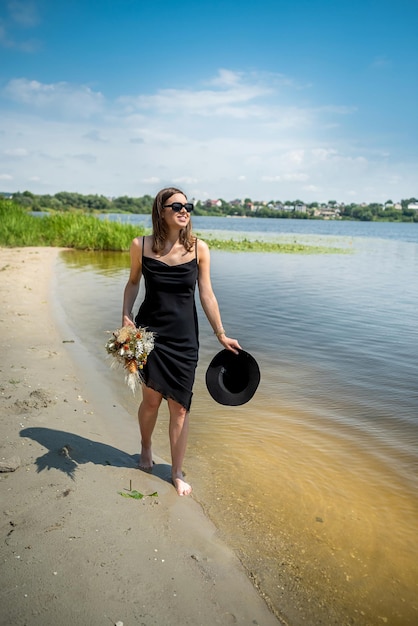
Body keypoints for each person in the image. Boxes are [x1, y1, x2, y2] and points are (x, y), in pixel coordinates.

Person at [122, 187, 241, 496]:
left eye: (188, 205)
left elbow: (207, 294)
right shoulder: (141, 245)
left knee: (181, 408)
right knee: (150, 401)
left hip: (185, 340)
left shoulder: (200, 248)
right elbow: (133, 282)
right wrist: (126, 316)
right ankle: (146, 447)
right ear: (161, 211)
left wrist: (221, 333)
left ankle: (176, 472)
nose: (184, 209)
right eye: (176, 205)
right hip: (150, 336)